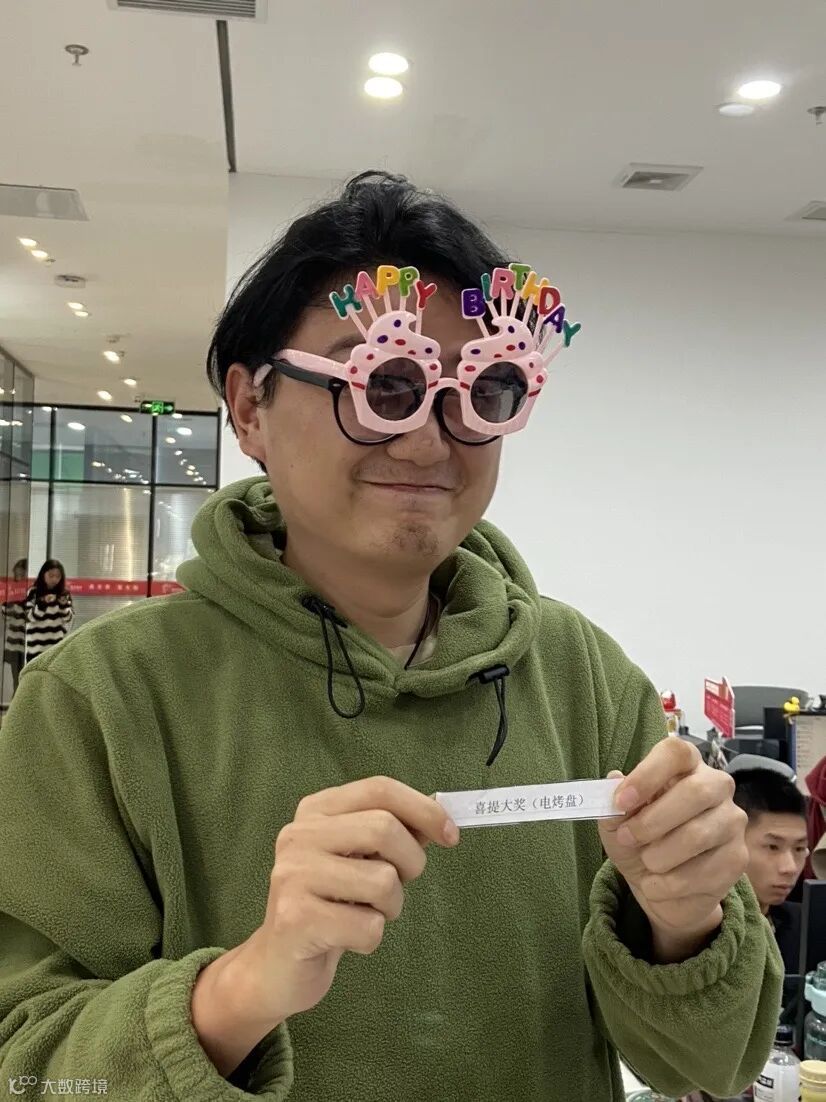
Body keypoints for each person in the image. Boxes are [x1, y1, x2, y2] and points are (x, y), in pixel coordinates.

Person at [0, 172, 780, 1101]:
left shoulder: (584, 678)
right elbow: (27, 1067)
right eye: (384, 382)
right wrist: (241, 989)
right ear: (249, 408)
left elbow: (710, 1064)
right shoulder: (103, 698)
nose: (427, 441)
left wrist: (682, 922)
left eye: (484, 388)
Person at [730, 762, 809, 973]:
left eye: (799, 848)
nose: (790, 868)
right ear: (727, 842)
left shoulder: (806, 924)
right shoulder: (691, 931)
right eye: (773, 847)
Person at [25, 558, 73, 660]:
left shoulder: (64, 594)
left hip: (55, 649)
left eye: (58, 576)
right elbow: (28, 617)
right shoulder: (33, 592)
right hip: (35, 649)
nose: (54, 579)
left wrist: (63, 605)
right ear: (43, 574)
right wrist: (42, 603)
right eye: (51, 576)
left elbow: (68, 618)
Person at [2, 558, 28, 693]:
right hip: (14, 642)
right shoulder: (11, 591)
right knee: (16, 680)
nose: (19, 578)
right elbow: (6, 615)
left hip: (27, 642)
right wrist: (11, 601)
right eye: (17, 575)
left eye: (22, 575)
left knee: (26, 680)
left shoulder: (32, 592)